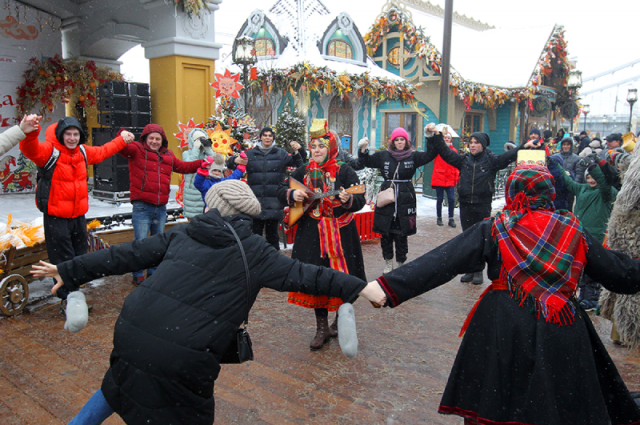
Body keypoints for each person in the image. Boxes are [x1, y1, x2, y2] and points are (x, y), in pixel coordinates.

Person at [31, 179, 386, 425]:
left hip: (131, 331)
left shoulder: (183, 233)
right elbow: (311, 276)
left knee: (121, 383)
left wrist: (69, 269)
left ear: (214, 207)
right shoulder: (257, 252)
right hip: (184, 354)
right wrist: (358, 287)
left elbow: (127, 255)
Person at [373, 164, 640, 425]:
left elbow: (442, 262)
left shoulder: (496, 227)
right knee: (557, 402)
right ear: (550, 192)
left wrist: (389, 288)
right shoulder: (573, 229)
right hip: (561, 328)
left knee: (496, 398)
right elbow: (621, 274)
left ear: (513, 192)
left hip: (502, 325)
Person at [19, 116, 134, 304]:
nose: (72, 138)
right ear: (60, 135)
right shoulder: (50, 151)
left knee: (79, 256)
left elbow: (104, 151)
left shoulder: (82, 151)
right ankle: (68, 300)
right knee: (62, 260)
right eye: (68, 134)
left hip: (78, 215)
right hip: (56, 217)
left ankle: (74, 292)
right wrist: (30, 131)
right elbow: (29, 148)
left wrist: (121, 140)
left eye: (75, 134)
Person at [278, 119, 367, 350]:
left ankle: (338, 320)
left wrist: (349, 200)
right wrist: (291, 194)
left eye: (321, 147)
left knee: (342, 277)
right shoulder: (304, 170)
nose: (316, 151)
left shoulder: (345, 170)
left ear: (331, 148)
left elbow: (360, 198)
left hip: (341, 234)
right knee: (316, 278)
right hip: (311, 236)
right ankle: (321, 327)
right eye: (313, 147)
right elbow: (280, 189)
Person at [428, 124, 536, 284]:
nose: (472, 145)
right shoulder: (463, 160)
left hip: (482, 204)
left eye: (476, 142)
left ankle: (478, 270)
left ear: (483, 145)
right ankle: (470, 270)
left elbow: (508, 156)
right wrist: (437, 136)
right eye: (471, 142)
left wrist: (524, 146)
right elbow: (445, 153)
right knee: (467, 238)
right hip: (465, 204)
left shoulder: (491, 160)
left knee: (480, 239)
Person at [118, 123, 202, 286]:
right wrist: (123, 133)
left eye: (157, 139)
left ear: (162, 140)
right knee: (141, 242)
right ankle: (137, 273)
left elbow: (184, 167)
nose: (154, 142)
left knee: (157, 242)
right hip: (142, 206)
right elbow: (121, 146)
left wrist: (202, 163)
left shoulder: (168, 155)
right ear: (145, 139)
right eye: (151, 138)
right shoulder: (136, 150)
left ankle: (153, 272)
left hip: (161, 207)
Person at [358, 127, 438, 273]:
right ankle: (388, 263)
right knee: (386, 233)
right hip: (386, 198)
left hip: (405, 198)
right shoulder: (384, 156)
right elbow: (366, 162)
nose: (400, 142)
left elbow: (431, 154)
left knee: (402, 234)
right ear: (392, 142)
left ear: (406, 142)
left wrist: (430, 137)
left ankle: (401, 263)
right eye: (397, 140)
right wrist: (363, 150)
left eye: (402, 140)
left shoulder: (413, 157)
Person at [227, 127, 304, 251]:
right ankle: (256, 263)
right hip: (255, 202)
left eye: (270, 135)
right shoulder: (251, 154)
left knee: (272, 237)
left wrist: (297, 151)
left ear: (273, 137)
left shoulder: (281, 154)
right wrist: (235, 160)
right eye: (265, 135)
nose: (267, 137)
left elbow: (299, 164)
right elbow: (230, 163)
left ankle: (274, 263)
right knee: (255, 236)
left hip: (274, 202)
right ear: (261, 137)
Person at [558, 158, 618, 310]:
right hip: (582, 234)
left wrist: (593, 167)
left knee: (593, 268)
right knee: (582, 266)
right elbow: (570, 183)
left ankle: (592, 298)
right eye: (589, 177)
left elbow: (604, 184)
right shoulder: (583, 188)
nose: (591, 180)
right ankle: (584, 296)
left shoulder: (606, 192)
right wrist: (555, 165)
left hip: (597, 235)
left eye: (594, 177)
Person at [181, 128, 214, 220]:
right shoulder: (186, 153)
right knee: (193, 223)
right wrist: (195, 149)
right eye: (198, 139)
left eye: (203, 139)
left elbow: (217, 164)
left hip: (206, 191)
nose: (201, 142)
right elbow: (189, 165)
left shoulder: (207, 155)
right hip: (192, 193)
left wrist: (208, 149)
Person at [431, 132, 459, 227]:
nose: (446, 139)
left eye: (448, 138)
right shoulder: (438, 151)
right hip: (440, 177)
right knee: (440, 199)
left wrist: (456, 177)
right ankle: (439, 218)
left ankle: (451, 218)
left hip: (450, 178)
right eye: (445, 138)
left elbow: (456, 165)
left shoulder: (454, 151)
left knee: (451, 199)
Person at [553, 137, 581, 209]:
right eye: (564, 144)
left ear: (571, 146)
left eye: (568, 145)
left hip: (569, 187)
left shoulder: (576, 158)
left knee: (568, 208)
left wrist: (574, 185)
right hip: (557, 187)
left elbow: (579, 173)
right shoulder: (555, 157)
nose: (566, 146)